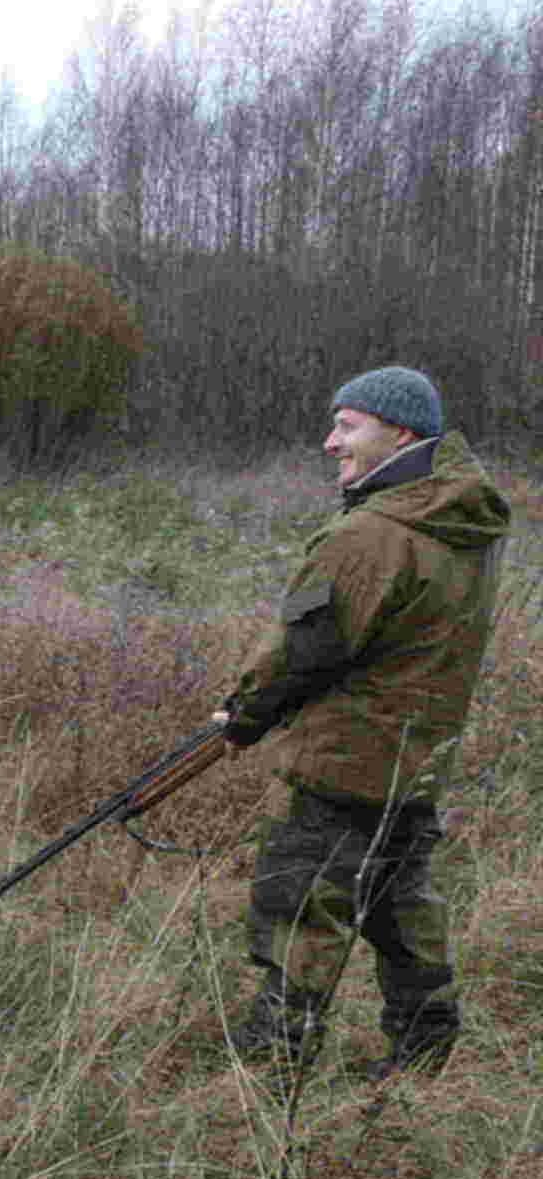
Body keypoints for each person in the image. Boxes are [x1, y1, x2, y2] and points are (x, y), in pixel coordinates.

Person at [217, 365, 508, 1080]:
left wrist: (244, 715)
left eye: (347, 425)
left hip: (343, 761)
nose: (329, 441)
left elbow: (303, 651)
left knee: (299, 909)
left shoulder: (373, 533)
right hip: (417, 761)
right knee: (402, 908)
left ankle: (272, 1070)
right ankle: (423, 1059)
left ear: (399, 432)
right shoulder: (462, 522)